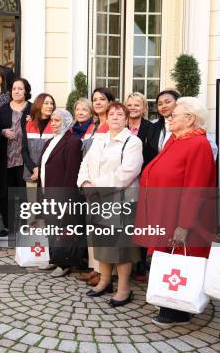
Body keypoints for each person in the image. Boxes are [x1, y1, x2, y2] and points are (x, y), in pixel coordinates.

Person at [134, 97, 216, 325]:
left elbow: (196, 188)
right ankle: (169, 303)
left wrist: (185, 224)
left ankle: (179, 309)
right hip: (166, 211)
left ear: (190, 119)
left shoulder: (199, 145)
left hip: (181, 216)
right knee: (167, 258)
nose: (168, 118)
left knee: (180, 259)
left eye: (173, 115)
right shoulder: (176, 140)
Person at [78, 102, 143, 307]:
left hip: (120, 199)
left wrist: (95, 186)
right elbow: (84, 164)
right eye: (111, 113)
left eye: (119, 114)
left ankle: (124, 289)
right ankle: (105, 281)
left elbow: (126, 173)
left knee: (121, 247)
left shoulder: (132, 142)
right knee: (102, 242)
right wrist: (85, 182)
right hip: (97, 199)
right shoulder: (99, 139)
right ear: (105, 117)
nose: (115, 116)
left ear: (126, 119)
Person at [38, 109, 83, 276]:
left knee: (63, 229)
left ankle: (64, 263)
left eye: (57, 120)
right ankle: (54, 259)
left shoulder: (73, 142)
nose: (53, 123)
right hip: (46, 191)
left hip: (61, 194)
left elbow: (72, 173)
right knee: (51, 227)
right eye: (52, 120)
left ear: (66, 122)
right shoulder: (49, 141)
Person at [79, 87, 115, 286]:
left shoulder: (111, 126)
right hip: (89, 182)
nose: (98, 102)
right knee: (92, 228)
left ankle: (107, 273)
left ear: (110, 102)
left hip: (104, 185)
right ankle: (96, 268)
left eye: (102, 99)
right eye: (95, 99)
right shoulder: (92, 126)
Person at [0, 77, 31, 237]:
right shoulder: (2, 109)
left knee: (24, 194)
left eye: (20, 89)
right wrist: (2, 132)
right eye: (14, 88)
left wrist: (33, 122)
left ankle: (24, 225)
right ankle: (8, 225)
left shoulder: (32, 109)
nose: (17, 91)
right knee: (4, 193)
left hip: (25, 160)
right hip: (6, 159)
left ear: (26, 91)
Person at [125, 92, 153, 281]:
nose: (133, 108)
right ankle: (125, 262)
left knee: (141, 222)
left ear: (144, 108)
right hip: (123, 182)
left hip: (143, 180)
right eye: (130, 104)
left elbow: (152, 154)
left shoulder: (151, 128)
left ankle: (141, 262)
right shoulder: (121, 126)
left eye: (137, 105)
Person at [22, 93, 55, 188]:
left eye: (51, 103)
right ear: (38, 105)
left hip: (50, 175)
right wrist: (34, 169)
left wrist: (40, 170)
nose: (50, 106)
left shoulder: (55, 125)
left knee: (49, 202)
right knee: (32, 202)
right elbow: (24, 150)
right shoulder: (29, 124)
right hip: (31, 174)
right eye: (46, 103)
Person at [144, 89, 180, 166]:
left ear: (178, 103)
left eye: (167, 102)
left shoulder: (188, 126)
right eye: (160, 104)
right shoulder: (152, 127)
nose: (163, 106)